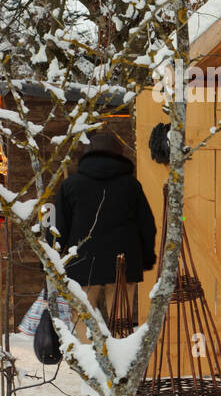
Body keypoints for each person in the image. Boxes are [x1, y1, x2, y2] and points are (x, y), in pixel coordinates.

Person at [54, 131, 156, 321]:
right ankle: (120, 350)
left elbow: (58, 226)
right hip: (123, 263)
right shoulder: (131, 185)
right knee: (121, 320)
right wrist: (147, 257)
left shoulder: (71, 185)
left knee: (83, 318)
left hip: (82, 262)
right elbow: (146, 224)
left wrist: (53, 258)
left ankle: (87, 350)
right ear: (119, 154)